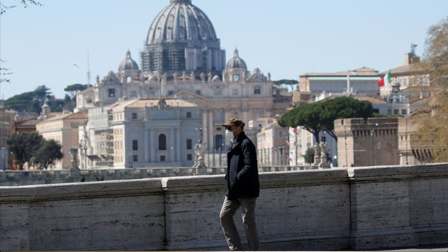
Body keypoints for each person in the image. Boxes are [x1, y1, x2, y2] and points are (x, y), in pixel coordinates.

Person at [220, 118, 260, 251]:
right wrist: (229, 177)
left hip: (246, 190)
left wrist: (237, 178)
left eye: (229, 128)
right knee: (224, 216)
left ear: (238, 128)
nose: (228, 131)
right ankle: (236, 248)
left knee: (248, 223)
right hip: (233, 190)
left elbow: (250, 166)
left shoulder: (246, 144)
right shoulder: (234, 143)